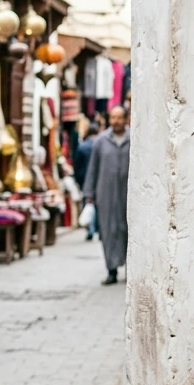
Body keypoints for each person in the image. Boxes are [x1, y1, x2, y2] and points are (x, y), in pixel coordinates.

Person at [83, 105, 130, 285]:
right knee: (109, 232)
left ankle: (130, 270)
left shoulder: (133, 138)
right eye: (113, 118)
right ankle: (111, 270)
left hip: (127, 194)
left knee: (128, 231)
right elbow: (93, 168)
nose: (116, 121)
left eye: (119, 117)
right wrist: (89, 193)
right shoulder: (101, 141)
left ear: (126, 119)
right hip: (106, 194)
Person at [75, 121, 101, 240]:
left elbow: (77, 165)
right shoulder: (100, 144)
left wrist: (79, 179)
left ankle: (90, 229)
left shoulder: (82, 146)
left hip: (85, 178)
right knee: (99, 204)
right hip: (100, 178)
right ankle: (99, 229)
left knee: (88, 202)